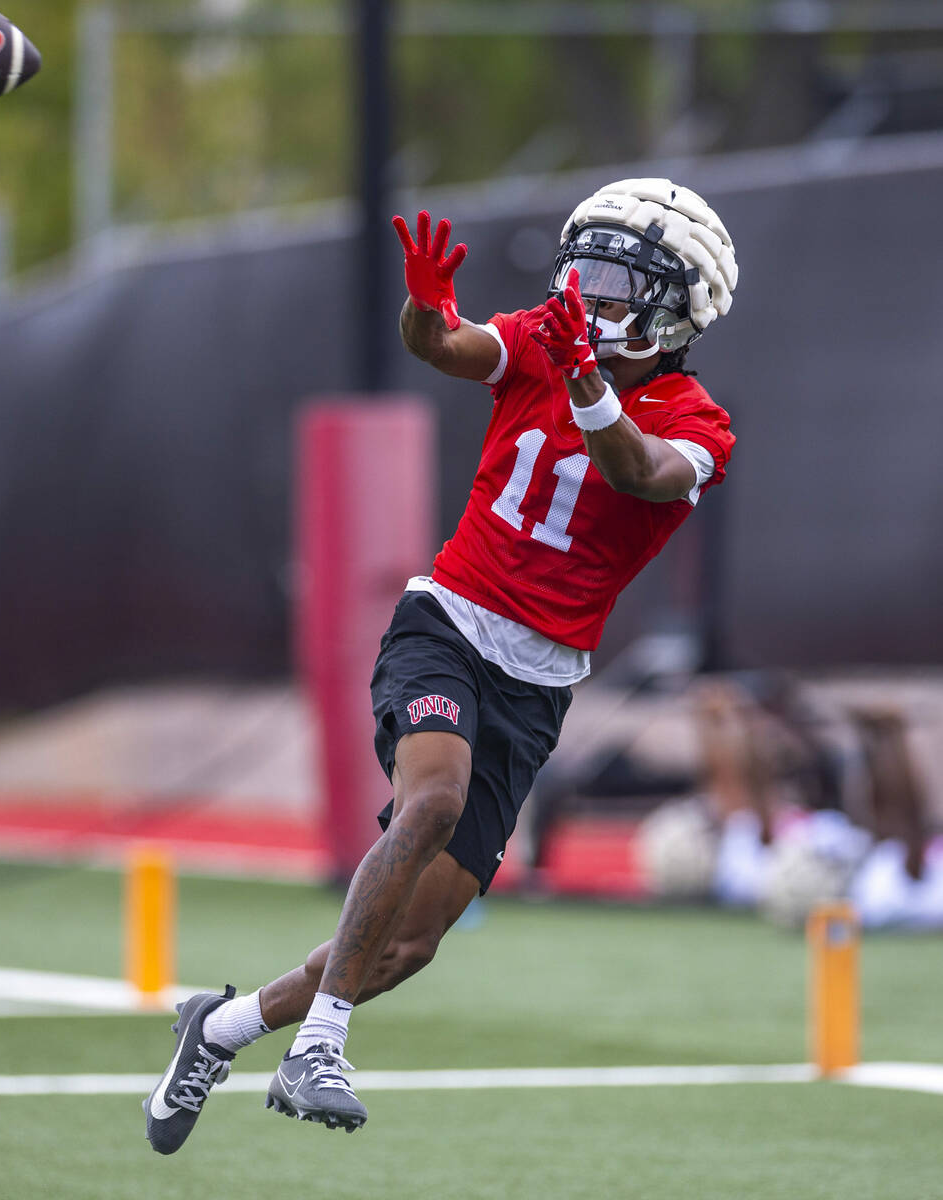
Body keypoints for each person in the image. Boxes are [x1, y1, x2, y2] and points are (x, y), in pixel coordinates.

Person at [144, 177, 739, 1153]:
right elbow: (448, 345)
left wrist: (587, 381)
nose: (589, 296)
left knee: (407, 944)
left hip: (538, 681)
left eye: (618, 282)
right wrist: (425, 307)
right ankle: (320, 1048)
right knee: (432, 803)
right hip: (449, 622)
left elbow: (638, 470)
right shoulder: (550, 345)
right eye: (585, 271)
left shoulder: (696, 419)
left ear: (681, 308)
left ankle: (218, 1029)